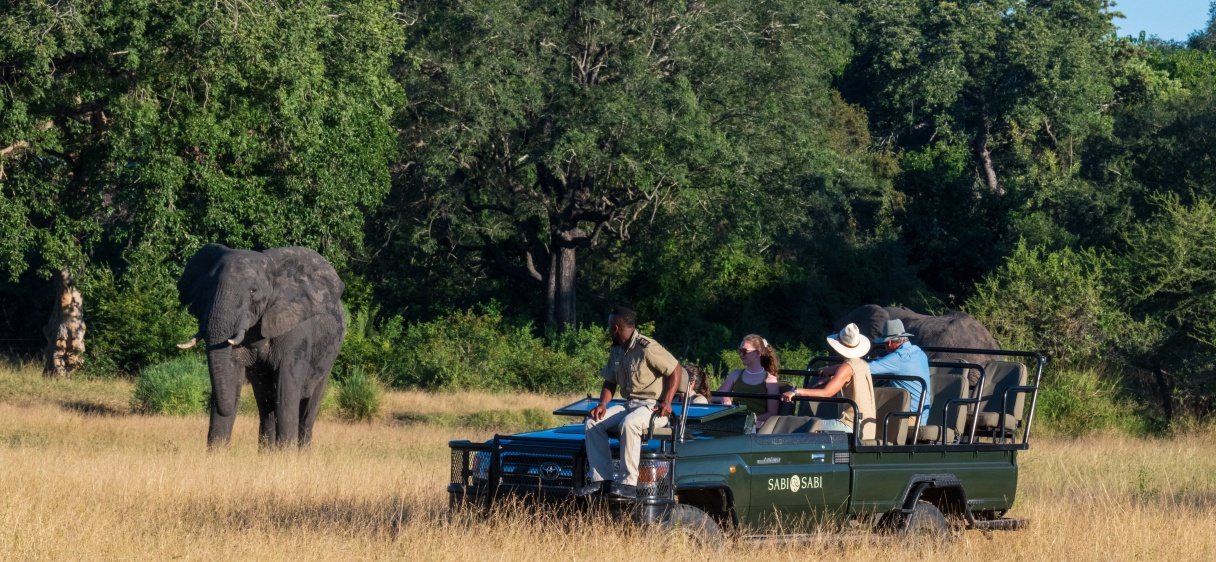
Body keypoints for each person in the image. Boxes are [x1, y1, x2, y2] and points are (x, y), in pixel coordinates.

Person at [575, 307, 682, 500]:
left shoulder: (647, 347)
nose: (608, 330)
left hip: (653, 407)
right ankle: (602, 481)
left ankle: (628, 484)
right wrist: (602, 404)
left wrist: (667, 402)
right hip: (629, 403)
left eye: (609, 326)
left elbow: (675, 369)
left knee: (629, 423)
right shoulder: (616, 350)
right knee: (592, 422)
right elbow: (610, 381)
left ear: (615, 328)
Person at [780, 323, 877, 441]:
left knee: (807, 425)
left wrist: (796, 391)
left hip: (851, 425)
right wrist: (832, 372)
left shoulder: (845, 368)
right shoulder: (863, 364)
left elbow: (827, 392)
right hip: (867, 428)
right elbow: (846, 369)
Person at [867, 319, 931, 425]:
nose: (885, 347)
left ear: (890, 342)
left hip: (909, 418)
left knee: (866, 419)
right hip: (921, 417)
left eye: (885, 343)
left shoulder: (899, 358)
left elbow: (866, 368)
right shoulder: (919, 352)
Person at [714, 334, 781, 428]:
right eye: (740, 351)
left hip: (756, 426)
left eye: (745, 351)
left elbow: (772, 414)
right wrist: (723, 398)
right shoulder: (735, 374)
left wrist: (752, 419)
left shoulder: (770, 381)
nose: (741, 355)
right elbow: (713, 396)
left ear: (757, 353)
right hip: (734, 422)